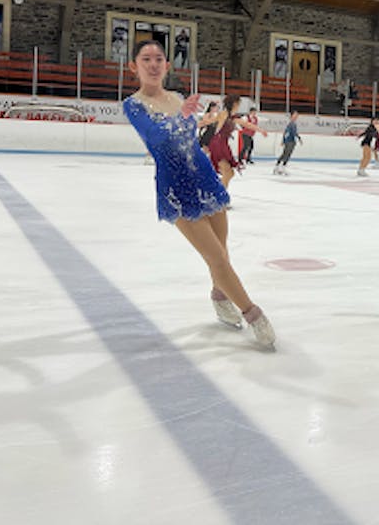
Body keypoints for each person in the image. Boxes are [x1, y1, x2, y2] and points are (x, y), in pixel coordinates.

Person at [121, 40, 275, 348]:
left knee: (221, 251)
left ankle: (220, 295)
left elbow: (188, 137)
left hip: (203, 177)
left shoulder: (177, 97)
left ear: (167, 65)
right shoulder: (133, 104)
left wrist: (187, 118)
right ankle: (253, 314)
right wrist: (182, 118)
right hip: (176, 187)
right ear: (133, 67)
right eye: (146, 59)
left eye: (158, 59)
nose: (153, 64)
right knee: (215, 255)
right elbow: (157, 138)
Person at [209, 95, 266, 189]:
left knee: (230, 173)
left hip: (223, 144)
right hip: (218, 144)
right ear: (234, 104)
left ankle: (216, 192)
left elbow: (246, 124)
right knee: (227, 173)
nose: (239, 105)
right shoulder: (224, 114)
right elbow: (213, 123)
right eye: (238, 103)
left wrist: (260, 130)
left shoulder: (233, 117)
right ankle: (218, 196)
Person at [274, 111, 303, 175]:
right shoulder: (291, 124)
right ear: (292, 116)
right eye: (295, 115)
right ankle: (281, 167)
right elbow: (289, 133)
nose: (296, 116)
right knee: (286, 154)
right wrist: (284, 140)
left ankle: (278, 167)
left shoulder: (293, 124)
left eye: (297, 115)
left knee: (286, 154)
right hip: (289, 141)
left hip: (291, 141)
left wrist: (298, 138)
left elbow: (290, 133)